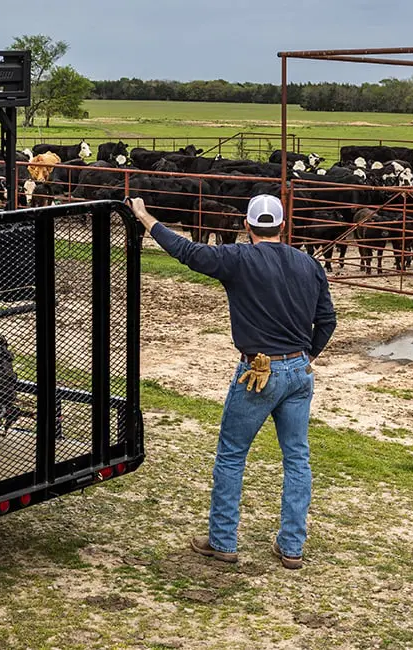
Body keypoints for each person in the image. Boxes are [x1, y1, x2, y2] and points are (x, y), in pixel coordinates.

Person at [129, 194, 336, 570]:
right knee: (297, 458)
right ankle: (291, 547)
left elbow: (187, 251)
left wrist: (146, 218)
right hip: (299, 372)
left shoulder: (238, 259)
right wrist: (306, 356)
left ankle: (223, 540)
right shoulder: (309, 263)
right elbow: (328, 320)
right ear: (283, 227)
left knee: (231, 455)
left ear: (247, 226)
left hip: (258, 371)